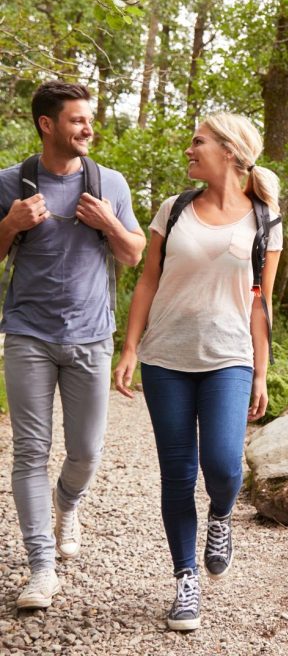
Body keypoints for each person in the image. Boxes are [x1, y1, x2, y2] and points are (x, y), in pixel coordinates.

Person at [113, 112, 281, 632]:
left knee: (225, 465)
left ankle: (221, 518)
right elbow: (147, 281)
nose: (189, 149)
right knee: (178, 474)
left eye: (197, 142)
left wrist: (260, 372)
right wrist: (131, 347)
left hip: (230, 357)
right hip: (166, 358)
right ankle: (185, 581)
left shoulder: (265, 218)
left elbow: (262, 303)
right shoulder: (174, 208)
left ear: (229, 152)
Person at [0, 81, 145, 609]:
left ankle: (68, 502)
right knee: (29, 453)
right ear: (47, 124)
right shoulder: (11, 182)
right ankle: (40, 568)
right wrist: (10, 225)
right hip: (27, 336)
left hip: (90, 336)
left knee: (85, 452)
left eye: (89, 119)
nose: (88, 129)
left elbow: (134, 255)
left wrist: (108, 222)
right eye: (78, 120)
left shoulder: (109, 183)